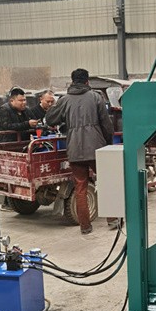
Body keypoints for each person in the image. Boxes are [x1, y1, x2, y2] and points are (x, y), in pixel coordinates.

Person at [46, 68, 115, 234]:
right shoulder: (96, 97)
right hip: (96, 147)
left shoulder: (64, 100)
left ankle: (85, 226)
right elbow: (106, 123)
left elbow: (50, 119)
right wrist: (108, 142)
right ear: (87, 81)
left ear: (72, 81)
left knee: (80, 188)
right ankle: (113, 220)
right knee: (106, 183)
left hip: (75, 149)